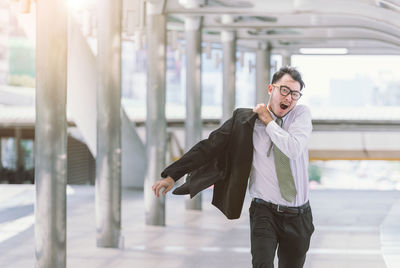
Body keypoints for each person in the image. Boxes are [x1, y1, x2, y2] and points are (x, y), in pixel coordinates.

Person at [152, 66, 314, 268]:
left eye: (294, 94)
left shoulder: (301, 115)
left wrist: (268, 121)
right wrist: (172, 175)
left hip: (299, 216)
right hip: (265, 211)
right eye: (284, 90)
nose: (289, 98)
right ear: (271, 89)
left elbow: (293, 148)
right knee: (262, 264)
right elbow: (208, 147)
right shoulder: (245, 121)